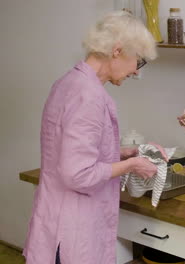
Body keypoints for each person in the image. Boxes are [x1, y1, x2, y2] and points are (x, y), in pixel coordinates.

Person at [23, 11, 165, 264]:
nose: (135, 71)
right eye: (139, 61)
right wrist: (131, 165)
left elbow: (70, 148)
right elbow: (78, 174)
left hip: (56, 218)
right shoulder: (89, 97)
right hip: (73, 230)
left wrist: (125, 152)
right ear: (118, 51)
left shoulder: (68, 82)